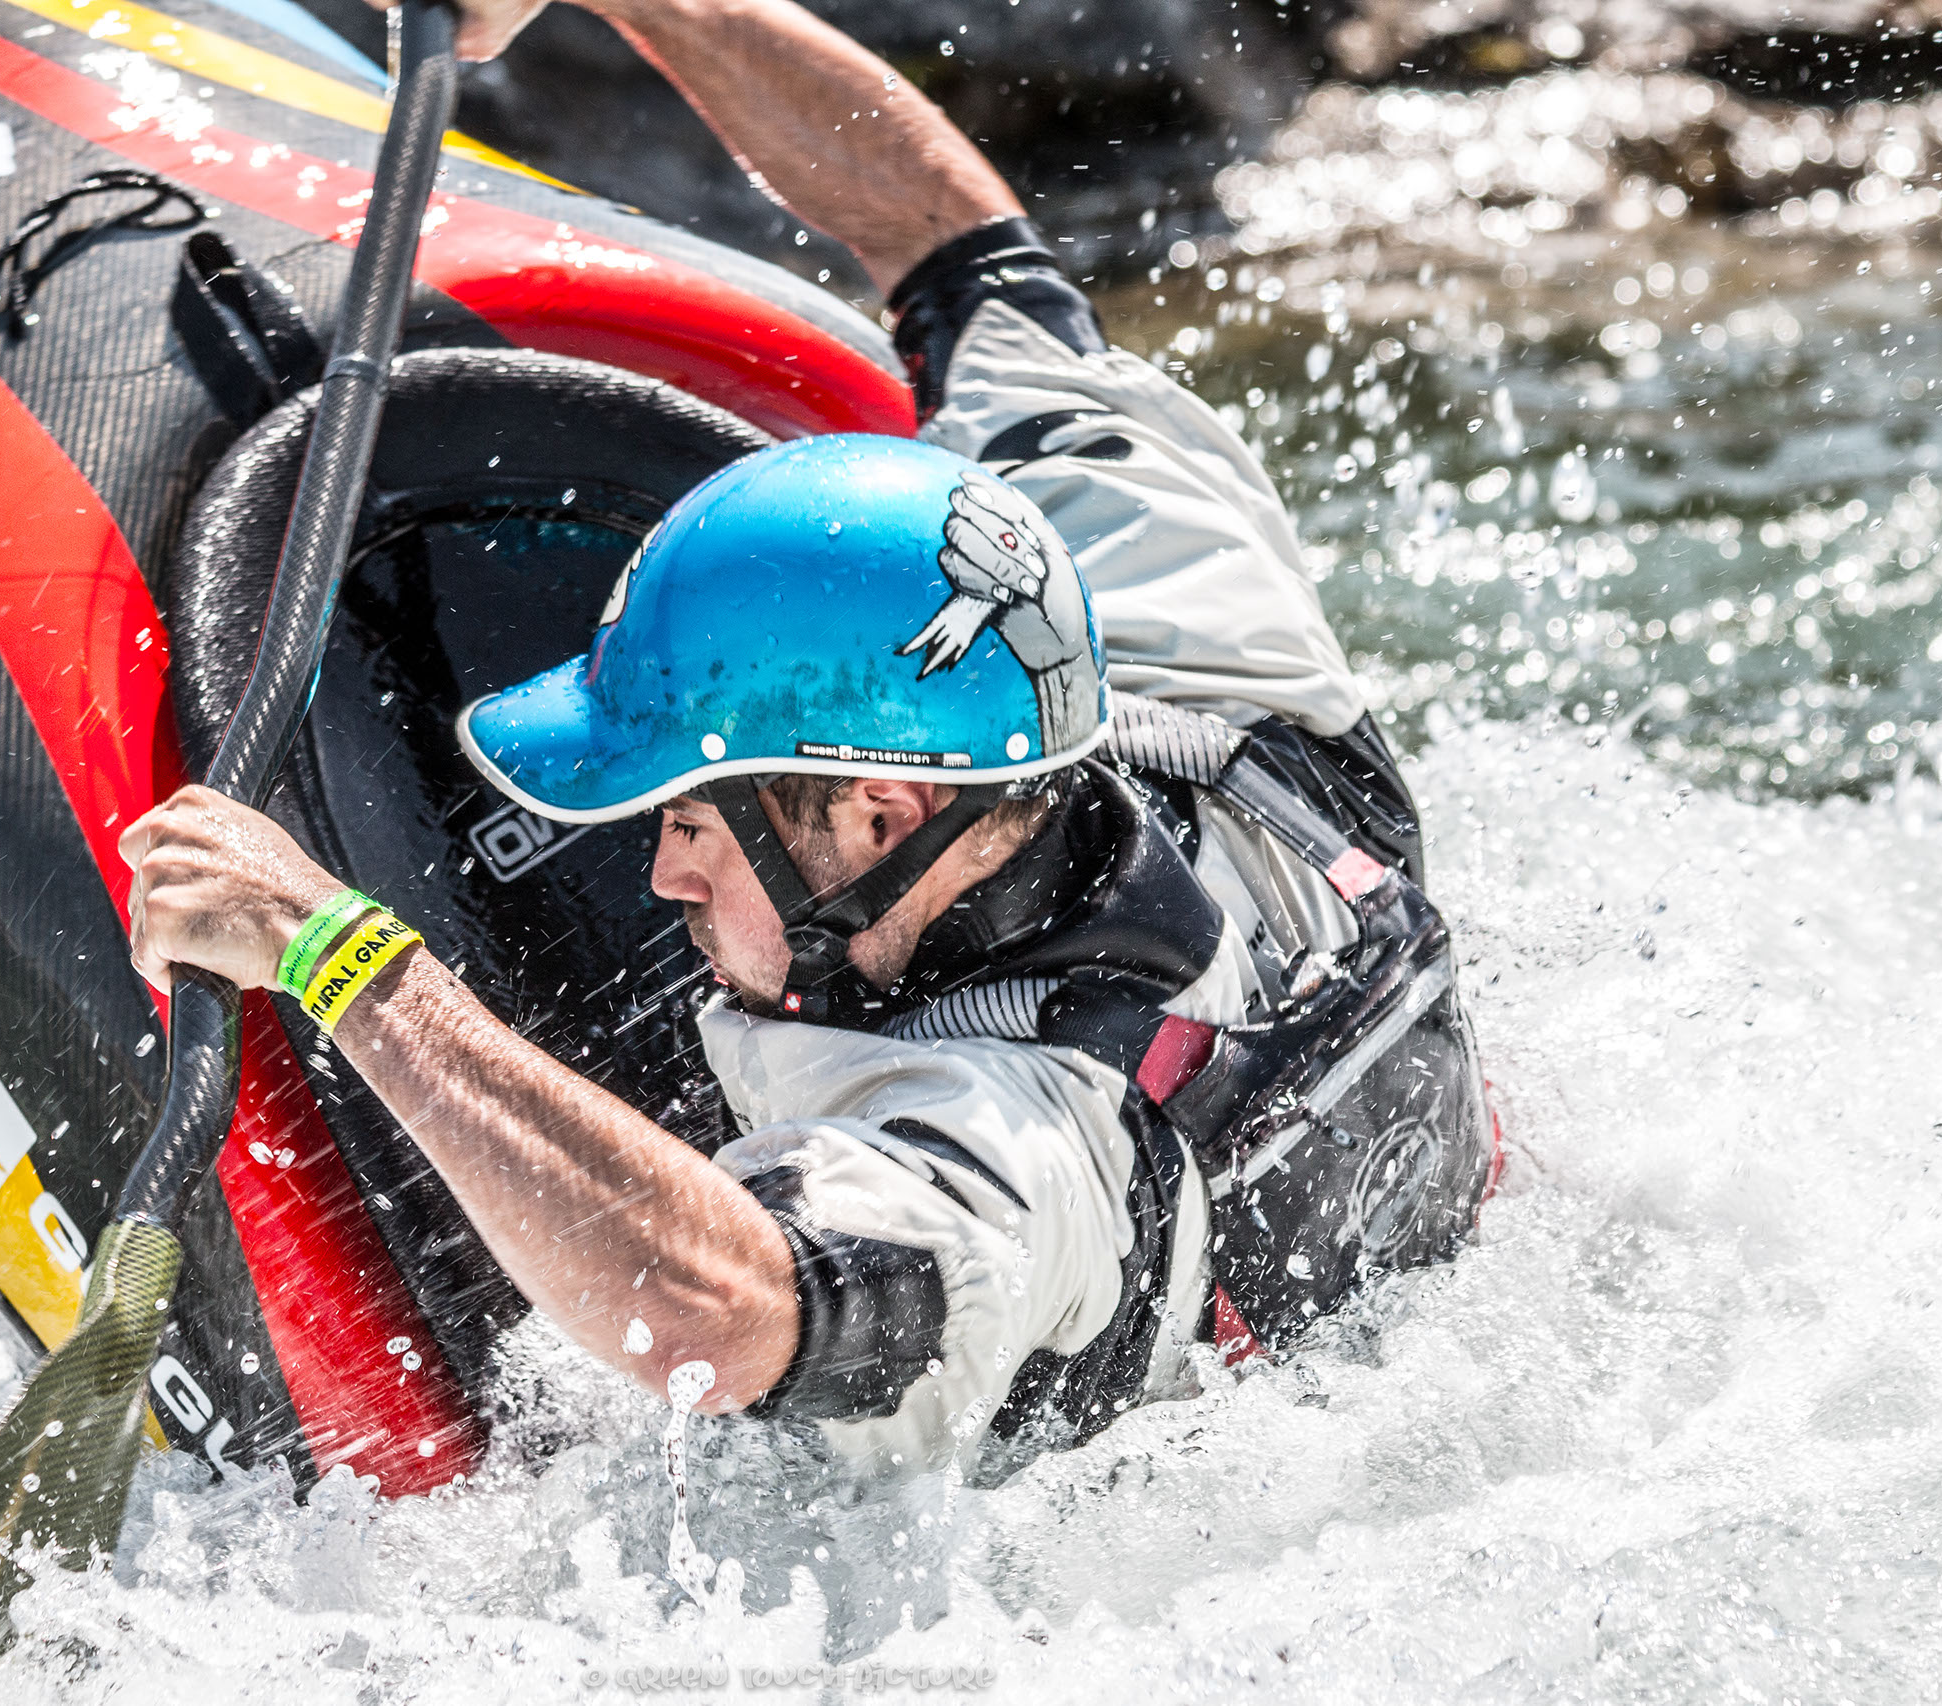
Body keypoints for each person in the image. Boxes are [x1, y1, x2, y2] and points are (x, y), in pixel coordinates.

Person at [121, 0, 1493, 1477]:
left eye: (695, 821)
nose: (658, 874)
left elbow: (717, 1316)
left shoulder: (1018, 1151)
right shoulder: (1162, 598)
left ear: (881, 817)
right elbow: (957, 241)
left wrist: (348, 957)